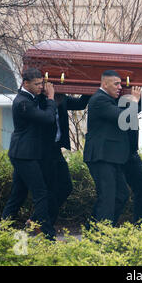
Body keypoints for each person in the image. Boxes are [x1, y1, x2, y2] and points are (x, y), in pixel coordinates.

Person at [2, 67, 57, 240]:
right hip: (24, 154)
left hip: (24, 153)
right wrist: (51, 98)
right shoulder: (23, 102)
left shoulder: (30, 97)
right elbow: (48, 118)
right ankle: (47, 236)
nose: (41, 86)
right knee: (41, 193)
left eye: (42, 83)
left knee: (17, 195)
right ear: (25, 83)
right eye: (37, 84)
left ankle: (1, 231)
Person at [83, 70, 141, 226]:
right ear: (104, 83)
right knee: (107, 197)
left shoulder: (111, 99)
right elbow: (123, 117)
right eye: (116, 83)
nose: (120, 87)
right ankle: (102, 235)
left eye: (121, 83)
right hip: (101, 157)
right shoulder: (99, 100)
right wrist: (134, 101)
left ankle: (96, 229)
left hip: (111, 157)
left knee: (121, 195)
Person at [39, 93, 91, 225]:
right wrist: (50, 99)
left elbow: (80, 104)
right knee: (49, 190)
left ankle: (38, 219)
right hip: (42, 150)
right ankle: (45, 227)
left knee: (66, 186)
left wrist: (88, 87)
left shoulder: (62, 98)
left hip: (56, 149)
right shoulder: (38, 99)